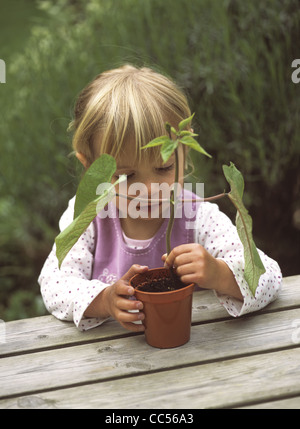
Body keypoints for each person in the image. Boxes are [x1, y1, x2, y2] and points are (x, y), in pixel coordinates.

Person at [38, 65, 282, 332]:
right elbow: (55, 284)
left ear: (184, 151)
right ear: (91, 167)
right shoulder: (90, 215)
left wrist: (219, 273)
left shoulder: (198, 216)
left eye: (164, 168)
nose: (151, 188)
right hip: (110, 362)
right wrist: (105, 300)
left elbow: (268, 276)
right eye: (127, 175)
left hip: (193, 357)